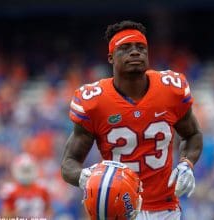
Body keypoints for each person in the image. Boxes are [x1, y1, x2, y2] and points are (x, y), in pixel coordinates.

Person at [61, 20, 203, 219]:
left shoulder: (170, 89)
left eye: (141, 47)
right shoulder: (94, 101)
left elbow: (193, 134)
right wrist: (85, 178)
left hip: (164, 208)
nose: (135, 52)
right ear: (110, 58)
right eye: (125, 48)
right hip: (116, 209)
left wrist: (187, 163)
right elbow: (69, 162)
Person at [0, 153, 51, 218]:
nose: (26, 173)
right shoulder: (10, 190)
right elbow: (4, 216)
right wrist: (17, 213)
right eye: (24, 170)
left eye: (28, 170)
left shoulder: (42, 187)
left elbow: (49, 211)